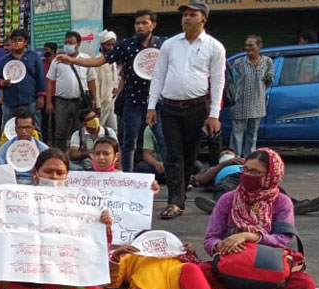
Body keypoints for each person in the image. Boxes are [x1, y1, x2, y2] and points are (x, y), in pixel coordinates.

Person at [0, 149, 117, 289]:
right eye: (48, 171)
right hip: (21, 273)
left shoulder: (81, 204)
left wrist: (104, 227)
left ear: (67, 175)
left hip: (60, 273)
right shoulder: (16, 198)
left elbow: (95, 248)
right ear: (36, 172)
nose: (54, 177)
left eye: (59, 172)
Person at [200, 148, 315, 289]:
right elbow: (210, 239)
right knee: (194, 273)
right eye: (245, 170)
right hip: (232, 267)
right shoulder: (228, 199)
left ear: (271, 176)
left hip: (267, 268)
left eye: (255, 172)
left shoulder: (282, 202)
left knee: (305, 287)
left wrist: (250, 236)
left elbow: (282, 240)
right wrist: (223, 245)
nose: (247, 175)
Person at [56, 10, 164, 173]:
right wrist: (73, 60)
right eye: (137, 23)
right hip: (132, 100)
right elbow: (100, 60)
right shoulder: (127, 45)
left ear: (153, 25)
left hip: (157, 103)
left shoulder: (163, 45)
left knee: (163, 140)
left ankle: (173, 183)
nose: (140, 26)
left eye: (144, 23)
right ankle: (126, 178)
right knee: (128, 142)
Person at [146, 1, 225, 219]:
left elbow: (218, 81)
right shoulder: (170, 44)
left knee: (190, 154)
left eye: (192, 15)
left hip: (196, 107)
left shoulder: (214, 46)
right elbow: (158, 75)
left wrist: (214, 114)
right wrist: (151, 106)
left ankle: (183, 189)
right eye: (185, 15)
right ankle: (175, 201)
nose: (187, 18)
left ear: (203, 20)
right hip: (169, 106)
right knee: (173, 154)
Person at [192, 148, 319, 215]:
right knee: (225, 189)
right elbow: (201, 180)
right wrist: (223, 164)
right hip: (229, 179)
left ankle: (298, 205)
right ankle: (220, 206)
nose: (225, 154)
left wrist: (248, 165)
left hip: (252, 174)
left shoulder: (246, 161)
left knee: (272, 188)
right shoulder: (215, 167)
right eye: (222, 154)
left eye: (228, 153)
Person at [46, 31, 97, 151]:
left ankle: (79, 157)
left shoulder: (86, 59)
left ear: (78, 44)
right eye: (66, 43)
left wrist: (94, 98)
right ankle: (60, 156)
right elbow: (49, 81)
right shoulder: (57, 60)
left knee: (80, 131)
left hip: (80, 102)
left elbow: (91, 81)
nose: (68, 45)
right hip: (61, 102)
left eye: (71, 43)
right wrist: (49, 102)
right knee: (60, 132)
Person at [230, 35, 273, 158]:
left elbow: (269, 81)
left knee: (252, 134)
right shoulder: (238, 63)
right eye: (246, 45)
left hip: (257, 104)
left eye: (251, 45)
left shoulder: (267, 62)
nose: (247, 48)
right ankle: (236, 160)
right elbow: (234, 82)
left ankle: (249, 159)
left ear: (259, 46)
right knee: (237, 134)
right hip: (239, 104)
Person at [0, 29, 46, 129]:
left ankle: (35, 145)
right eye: (14, 40)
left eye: (20, 40)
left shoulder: (33, 57)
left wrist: (41, 97)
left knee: (34, 128)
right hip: (10, 101)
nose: (17, 43)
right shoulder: (5, 60)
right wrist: (2, 83)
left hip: (30, 100)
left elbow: (40, 77)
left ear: (25, 42)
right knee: (8, 129)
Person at [0, 110, 49, 183]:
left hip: (35, 182)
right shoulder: (5, 148)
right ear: (15, 129)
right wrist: (8, 172)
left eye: (27, 127)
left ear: (33, 128)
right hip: (12, 182)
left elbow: (48, 171)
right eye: (20, 128)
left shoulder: (43, 149)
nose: (24, 131)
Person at [94, 30, 119, 131]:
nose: (111, 48)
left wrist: (115, 87)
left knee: (113, 129)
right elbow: (95, 83)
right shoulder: (97, 60)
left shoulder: (112, 60)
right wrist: (97, 104)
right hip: (101, 101)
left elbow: (114, 78)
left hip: (111, 100)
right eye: (108, 45)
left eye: (113, 45)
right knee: (98, 129)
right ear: (102, 44)